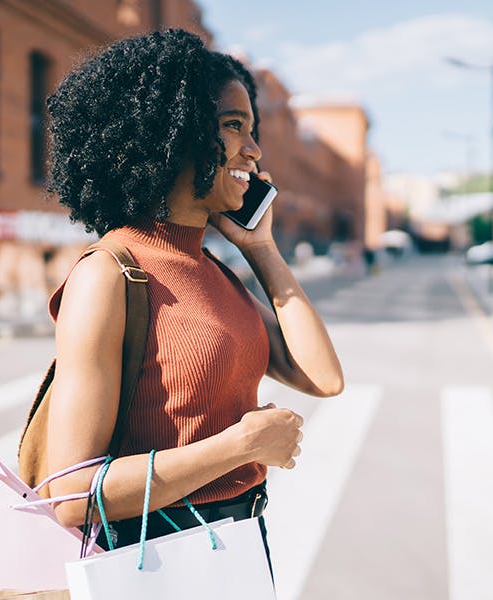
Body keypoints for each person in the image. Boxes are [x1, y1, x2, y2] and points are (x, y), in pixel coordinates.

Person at [41, 29, 344, 563]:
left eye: (254, 131)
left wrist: (262, 250)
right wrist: (242, 447)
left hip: (240, 545)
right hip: (158, 559)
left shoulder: (215, 271)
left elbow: (322, 377)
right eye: (233, 127)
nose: (253, 151)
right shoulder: (110, 274)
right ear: (172, 134)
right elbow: (71, 494)